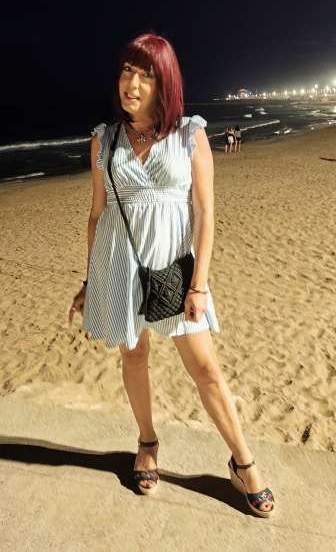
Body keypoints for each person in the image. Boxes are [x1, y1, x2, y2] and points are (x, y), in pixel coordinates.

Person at [67, 32, 275, 517]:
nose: (132, 84)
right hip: (119, 265)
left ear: (165, 84)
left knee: (205, 368)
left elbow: (205, 213)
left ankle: (243, 462)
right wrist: (90, 282)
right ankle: (147, 442)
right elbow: (96, 214)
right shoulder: (104, 139)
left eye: (146, 75)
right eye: (127, 71)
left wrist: (199, 284)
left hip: (176, 271)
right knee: (134, 354)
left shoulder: (189, 133)